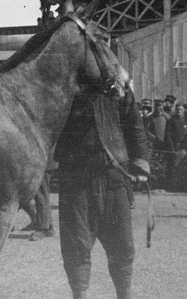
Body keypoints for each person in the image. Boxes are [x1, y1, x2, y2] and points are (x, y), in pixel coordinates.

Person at [54, 86, 150, 299]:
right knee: (76, 246)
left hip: (113, 177)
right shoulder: (66, 82)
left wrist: (140, 162)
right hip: (75, 179)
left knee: (123, 247)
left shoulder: (119, 86)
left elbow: (134, 124)